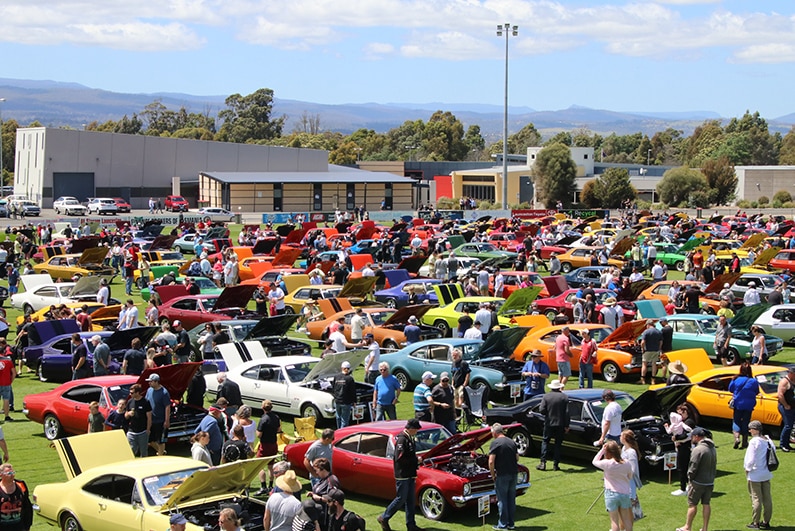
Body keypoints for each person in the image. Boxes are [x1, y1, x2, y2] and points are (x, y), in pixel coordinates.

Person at [378, 418, 421, 531]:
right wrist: (416, 461)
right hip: (403, 474)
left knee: (411, 500)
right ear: (411, 429)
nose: (417, 431)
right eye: (416, 429)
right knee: (401, 498)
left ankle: (411, 525)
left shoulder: (409, 437)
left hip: (410, 473)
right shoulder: (402, 439)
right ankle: (384, 517)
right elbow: (399, 458)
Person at [678, 427, 717, 531]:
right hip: (709, 481)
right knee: (706, 504)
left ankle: (687, 527)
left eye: (692, 436)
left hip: (698, 482)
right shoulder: (712, 448)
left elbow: (693, 466)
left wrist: (690, 479)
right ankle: (705, 528)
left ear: (696, 437)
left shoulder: (698, 449)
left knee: (692, 505)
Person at [592, 441, 634, 531]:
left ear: (609, 452)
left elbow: (594, 461)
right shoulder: (627, 463)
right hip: (625, 493)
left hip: (611, 494)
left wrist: (602, 450)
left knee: (614, 521)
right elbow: (630, 476)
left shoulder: (607, 463)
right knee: (626, 519)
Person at [743, 420, 774, 530]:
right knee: (767, 498)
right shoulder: (768, 440)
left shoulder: (754, 442)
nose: (749, 430)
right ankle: (766, 521)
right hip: (766, 473)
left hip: (755, 473)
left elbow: (750, 459)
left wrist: (747, 469)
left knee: (756, 499)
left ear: (755, 430)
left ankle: (755, 522)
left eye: (751, 428)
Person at [488, 423, 518, 530]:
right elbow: (517, 458)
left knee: (502, 500)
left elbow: (491, 461)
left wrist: (492, 475)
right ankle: (511, 523)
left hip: (502, 474)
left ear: (495, 433)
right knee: (511, 499)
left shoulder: (495, 443)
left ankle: (502, 524)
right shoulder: (512, 442)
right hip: (513, 473)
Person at [537, 379, 569, 472]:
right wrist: (567, 425)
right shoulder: (564, 397)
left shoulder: (546, 397)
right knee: (558, 444)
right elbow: (567, 413)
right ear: (559, 387)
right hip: (560, 424)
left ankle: (543, 462)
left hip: (549, 423)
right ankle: (556, 464)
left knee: (545, 441)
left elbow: (542, 410)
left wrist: (548, 413)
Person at [729, 361, 760, 449]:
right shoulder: (753, 381)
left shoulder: (735, 379)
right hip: (749, 405)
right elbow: (757, 391)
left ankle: (737, 438)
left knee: (736, 421)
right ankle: (745, 441)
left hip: (738, 403)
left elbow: (730, 389)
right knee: (746, 421)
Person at [255, 399, 281, 496]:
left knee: (259, 466)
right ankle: (270, 486)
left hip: (265, 445)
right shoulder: (276, 417)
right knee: (271, 466)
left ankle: (263, 487)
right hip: (273, 444)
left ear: (262, 407)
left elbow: (259, 434)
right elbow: (279, 429)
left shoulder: (263, 419)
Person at [670, 403, 697, 496]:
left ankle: (683, 488)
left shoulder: (689, 422)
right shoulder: (683, 422)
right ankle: (686, 486)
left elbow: (686, 435)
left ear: (685, 412)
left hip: (687, 448)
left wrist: (676, 438)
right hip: (682, 447)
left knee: (682, 467)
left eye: (680, 414)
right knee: (682, 467)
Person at [0, 463, 33, 531]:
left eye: (13, 472)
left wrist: (27, 525)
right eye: (9, 473)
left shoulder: (21, 485)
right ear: (1, 475)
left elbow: (27, 507)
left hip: (19, 526)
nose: (12, 475)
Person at [145, 373, 171, 457]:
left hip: (160, 420)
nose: (149, 383)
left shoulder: (164, 392)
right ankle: (162, 452)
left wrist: (166, 421)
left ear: (156, 382)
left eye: (151, 381)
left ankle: (160, 456)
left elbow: (167, 407)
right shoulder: (149, 390)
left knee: (161, 440)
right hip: (151, 420)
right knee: (150, 440)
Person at [621, 429, 644, 521]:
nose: (619, 437)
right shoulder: (623, 449)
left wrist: (626, 475)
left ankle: (631, 516)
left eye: (621, 436)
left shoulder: (631, 452)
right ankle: (634, 514)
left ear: (625, 438)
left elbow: (633, 468)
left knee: (630, 497)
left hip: (629, 478)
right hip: (623, 477)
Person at [125, 384, 152, 457]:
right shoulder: (130, 402)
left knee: (143, 452)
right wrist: (128, 414)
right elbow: (126, 416)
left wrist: (148, 429)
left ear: (137, 393)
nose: (130, 394)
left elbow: (149, 417)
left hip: (142, 431)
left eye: (132, 393)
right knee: (131, 450)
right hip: (131, 431)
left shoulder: (145, 402)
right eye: (130, 392)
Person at [776, 366, 795, 452]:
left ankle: (787, 443)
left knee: (791, 426)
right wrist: (786, 405)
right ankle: (783, 444)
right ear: (791, 374)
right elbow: (780, 395)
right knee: (788, 425)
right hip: (785, 407)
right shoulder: (784, 382)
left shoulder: (793, 381)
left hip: (793, 406)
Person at [333, 361, 356, 428]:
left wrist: (335, 397)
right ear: (348, 369)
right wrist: (354, 401)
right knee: (344, 419)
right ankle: (342, 433)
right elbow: (352, 391)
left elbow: (333, 388)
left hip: (337, 401)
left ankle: (338, 430)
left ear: (342, 368)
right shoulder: (350, 379)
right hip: (346, 402)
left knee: (338, 417)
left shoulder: (336, 377)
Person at [639, 319, 662, 385]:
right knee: (654, 364)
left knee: (644, 364)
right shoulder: (658, 332)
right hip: (655, 350)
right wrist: (659, 348)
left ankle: (643, 379)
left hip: (647, 350)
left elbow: (643, 342)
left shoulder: (646, 332)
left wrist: (642, 348)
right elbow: (661, 342)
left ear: (648, 325)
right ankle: (653, 380)